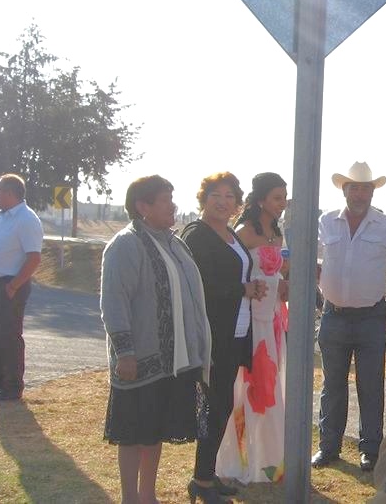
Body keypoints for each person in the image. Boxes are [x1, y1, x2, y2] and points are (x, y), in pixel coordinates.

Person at [100, 175, 212, 504]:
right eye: (165, 200)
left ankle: (147, 495)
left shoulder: (174, 243)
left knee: (154, 432)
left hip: (172, 362)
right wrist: (125, 352)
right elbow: (114, 302)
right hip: (139, 360)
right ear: (143, 206)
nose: (172, 206)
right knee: (133, 434)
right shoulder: (125, 244)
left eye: (171, 199)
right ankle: (130, 498)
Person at [311, 161, 386, 472]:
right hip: (334, 316)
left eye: (365, 188)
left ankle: (370, 449)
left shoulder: (385, 225)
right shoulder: (326, 221)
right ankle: (329, 446)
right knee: (332, 385)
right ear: (344, 190)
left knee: (370, 385)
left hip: (371, 318)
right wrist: (318, 282)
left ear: (372, 192)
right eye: (354, 188)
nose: (359, 194)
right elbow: (311, 257)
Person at [181, 172, 267, 502]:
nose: (223, 201)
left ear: (237, 203)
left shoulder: (230, 232)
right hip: (212, 334)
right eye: (216, 195)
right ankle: (201, 481)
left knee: (224, 405)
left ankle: (207, 474)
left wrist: (252, 288)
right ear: (204, 199)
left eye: (229, 196)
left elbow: (238, 274)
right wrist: (242, 289)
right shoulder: (197, 235)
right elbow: (201, 285)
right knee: (214, 407)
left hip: (237, 331)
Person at [215, 172, 289, 484]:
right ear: (260, 200)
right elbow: (235, 274)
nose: (282, 203)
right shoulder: (244, 232)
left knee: (272, 386)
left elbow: (279, 269)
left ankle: (271, 459)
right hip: (251, 323)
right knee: (251, 387)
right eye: (277, 198)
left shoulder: (278, 232)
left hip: (274, 318)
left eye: (284, 197)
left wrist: (283, 281)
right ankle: (244, 460)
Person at [0, 173, 43, 401]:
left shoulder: (27, 219)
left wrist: (13, 286)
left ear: (10, 193)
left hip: (11, 285)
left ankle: (12, 387)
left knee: (9, 336)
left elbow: (34, 258)